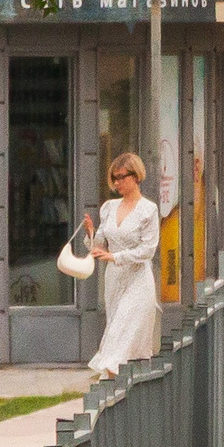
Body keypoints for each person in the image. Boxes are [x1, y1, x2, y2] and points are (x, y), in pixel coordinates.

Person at [85, 152, 163, 378]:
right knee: (114, 329)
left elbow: (147, 250)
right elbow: (100, 243)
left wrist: (115, 257)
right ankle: (113, 387)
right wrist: (91, 232)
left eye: (121, 177)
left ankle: (114, 384)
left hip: (138, 280)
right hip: (114, 280)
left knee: (124, 334)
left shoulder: (148, 209)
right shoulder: (109, 207)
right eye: (114, 178)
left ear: (136, 176)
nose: (117, 182)